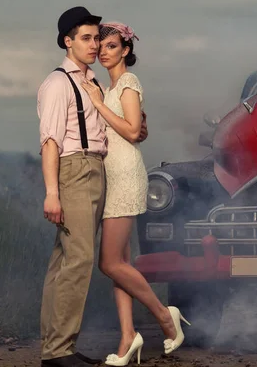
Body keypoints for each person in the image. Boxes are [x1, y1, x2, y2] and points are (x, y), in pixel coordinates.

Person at [37, 6, 148, 367]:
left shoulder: (93, 82)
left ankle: (58, 349)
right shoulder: (58, 82)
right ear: (67, 42)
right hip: (75, 171)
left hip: (97, 170)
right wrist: (52, 192)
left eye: (96, 38)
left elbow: (114, 128)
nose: (93, 45)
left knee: (67, 260)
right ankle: (58, 352)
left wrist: (138, 128)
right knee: (79, 260)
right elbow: (51, 141)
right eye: (85, 38)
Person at [79, 21, 190, 366]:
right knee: (120, 266)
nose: (103, 51)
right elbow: (135, 126)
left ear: (126, 50)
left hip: (126, 174)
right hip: (110, 175)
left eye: (111, 46)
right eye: (101, 45)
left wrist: (98, 104)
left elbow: (129, 131)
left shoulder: (128, 82)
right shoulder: (108, 86)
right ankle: (128, 338)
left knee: (109, 262)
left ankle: (163, 316)